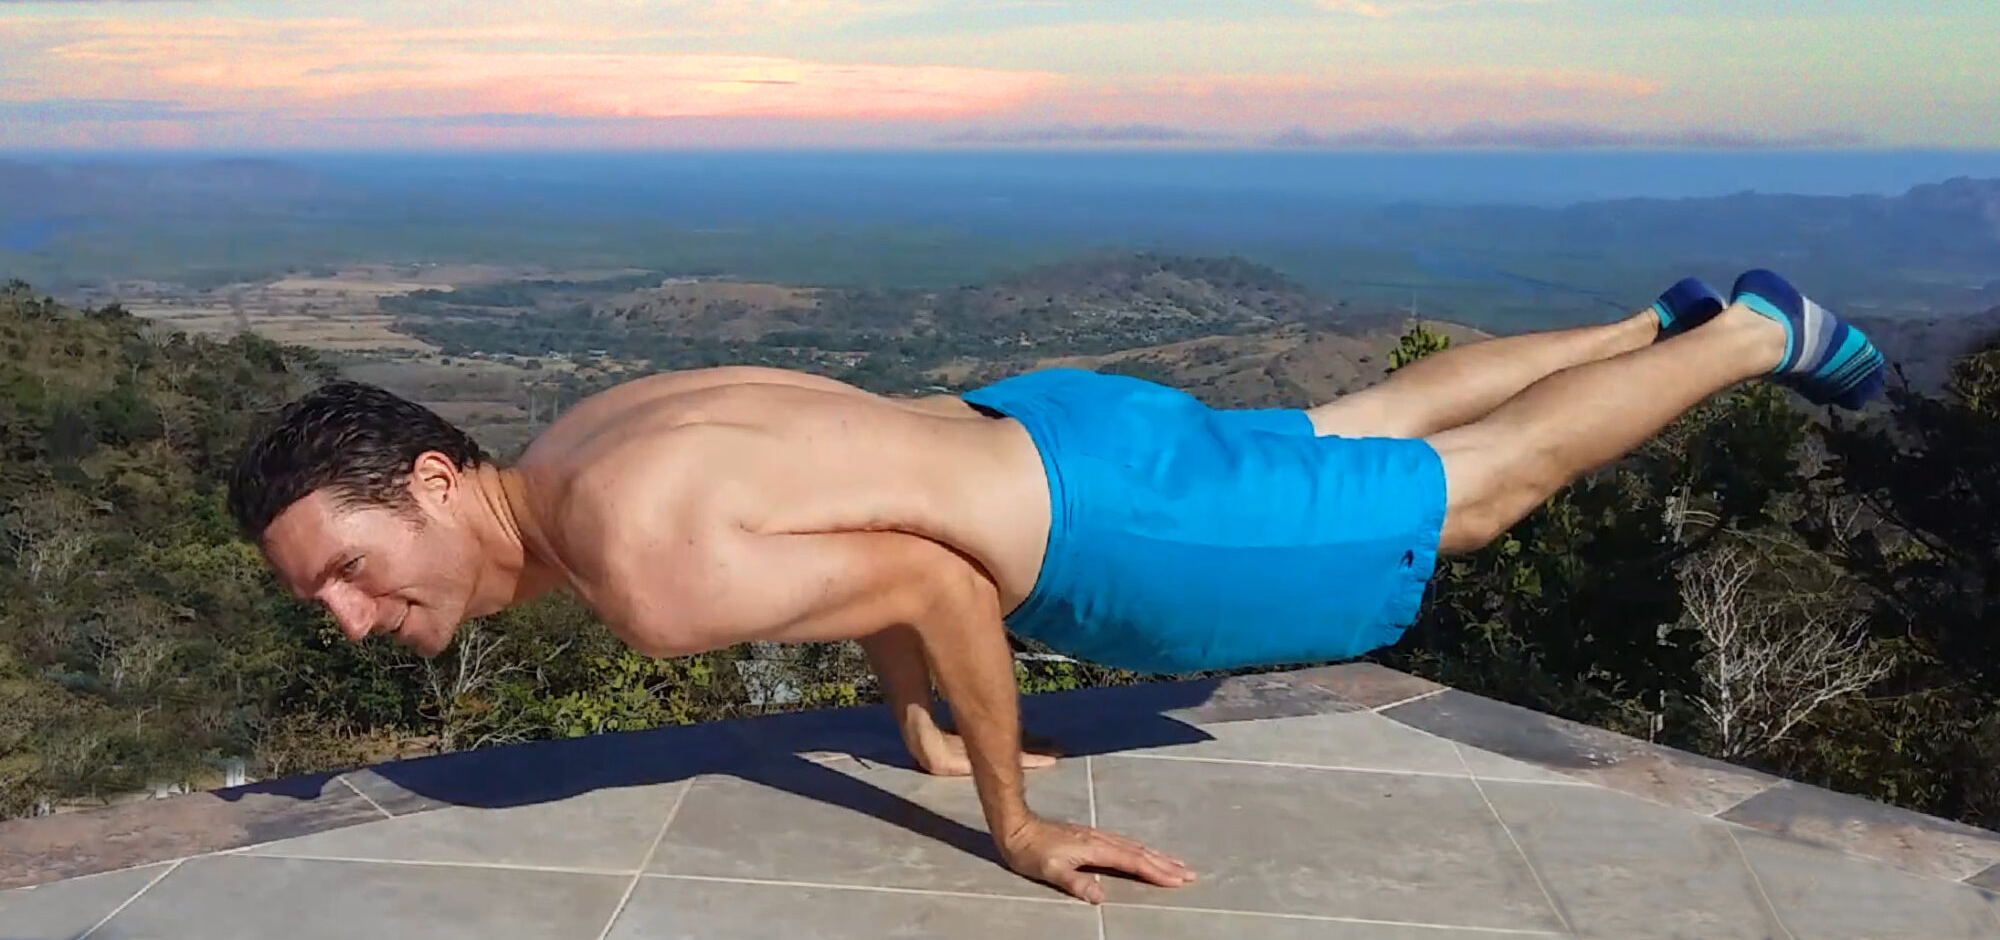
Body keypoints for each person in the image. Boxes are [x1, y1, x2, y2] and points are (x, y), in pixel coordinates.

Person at [225, 268, 1883, 903]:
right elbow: (859, 513)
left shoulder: (638, 569)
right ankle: (1653, 325)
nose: (359, 618)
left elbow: (941, 586)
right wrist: (920, 739)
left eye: (357, 573)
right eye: (330, 609)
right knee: (1352, 426)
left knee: (1471, 501)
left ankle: (1755, 336)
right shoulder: (591, 435)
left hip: (1106, 520)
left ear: (433, 481)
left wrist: (1009, 818)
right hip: (1054, 419)